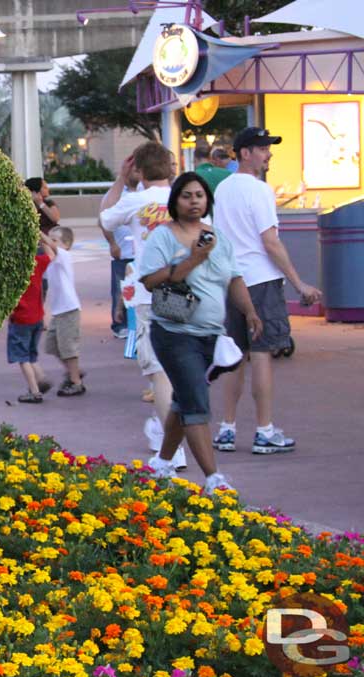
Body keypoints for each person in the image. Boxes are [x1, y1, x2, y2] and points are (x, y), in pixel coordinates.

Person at [139, 172, 263, 495]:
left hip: (210, 334)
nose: (194, 201)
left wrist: (250, 311)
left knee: (183, 401)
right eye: (186, 196)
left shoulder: (217, 237)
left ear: (207, 200)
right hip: (174, 333)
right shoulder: (162, 238)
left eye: (199, 195)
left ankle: (163, 463)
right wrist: (194, 258)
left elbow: (234, 278)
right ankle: (213, 478)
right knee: (196, 402)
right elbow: (151, 281)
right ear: (175, 201)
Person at [212, 127, 323, 455]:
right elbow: (270, 241)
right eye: (262, 148)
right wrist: (299, 283)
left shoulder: (223, 189)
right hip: (261, 281)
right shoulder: (259, 191)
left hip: (233, 282)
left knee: (235, 356)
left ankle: (227, 429)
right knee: (261, 355)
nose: (268, 153)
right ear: (244, 153)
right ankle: (264, 431)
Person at [100, 142, 188, 468]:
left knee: (159, 372)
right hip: (185, 291)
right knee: (179, 368)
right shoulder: (185, 197)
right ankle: (167, 430)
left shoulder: (136, 200)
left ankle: (172, 450)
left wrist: (121, 180)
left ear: (139, 168)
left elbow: (106, 220)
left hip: (150, 296)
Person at [8, 232, 56, 403]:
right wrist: (42, 239)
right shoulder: (37, 264)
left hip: (21, 318)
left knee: (22, 358)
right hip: (37, 318)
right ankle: (41, 377)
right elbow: (51, 254)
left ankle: (35, 391)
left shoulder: (13, 274)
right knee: (31, 354)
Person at [43, 226, 86, 396]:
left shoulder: (64, 257)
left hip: (69, 309)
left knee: (68, 347)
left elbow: (51, 247)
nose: (51, 242)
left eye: (55, 240)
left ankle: (76, 382)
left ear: (66, 245)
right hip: (58, 311)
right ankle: (74, 371)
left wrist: (39, 231)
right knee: (52, 346)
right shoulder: (52, 262)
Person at [101, 158, 138, 339]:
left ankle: (135, 323)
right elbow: (104, 219)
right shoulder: (117, 193)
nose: (136, 173)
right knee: (120, 289)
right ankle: (119, 325)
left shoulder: (145, 192)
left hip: (140, 254)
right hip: (122, 252)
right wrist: (112, 244)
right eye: (133, 169)